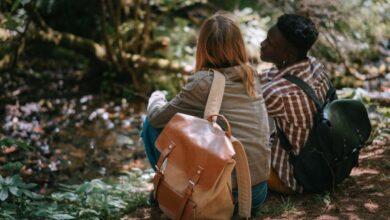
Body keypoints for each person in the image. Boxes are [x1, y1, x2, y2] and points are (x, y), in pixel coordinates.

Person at [141, 12, 270, 213]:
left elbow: (158, 118)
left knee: (150, 124)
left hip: (223, 198)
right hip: (256, 193)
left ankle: (166, 186)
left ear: (202, 46)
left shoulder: (203, 82)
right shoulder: (252, 76)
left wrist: (157, 96)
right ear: (239, 45)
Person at [259, 14, 333, 193]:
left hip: (295, 179)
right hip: (325, 166)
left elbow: (242, 117)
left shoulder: (275, 94)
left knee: (234, 139)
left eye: (270, 43)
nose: (262, 44)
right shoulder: (315, 65)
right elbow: (272, 76)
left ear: (287, 54)